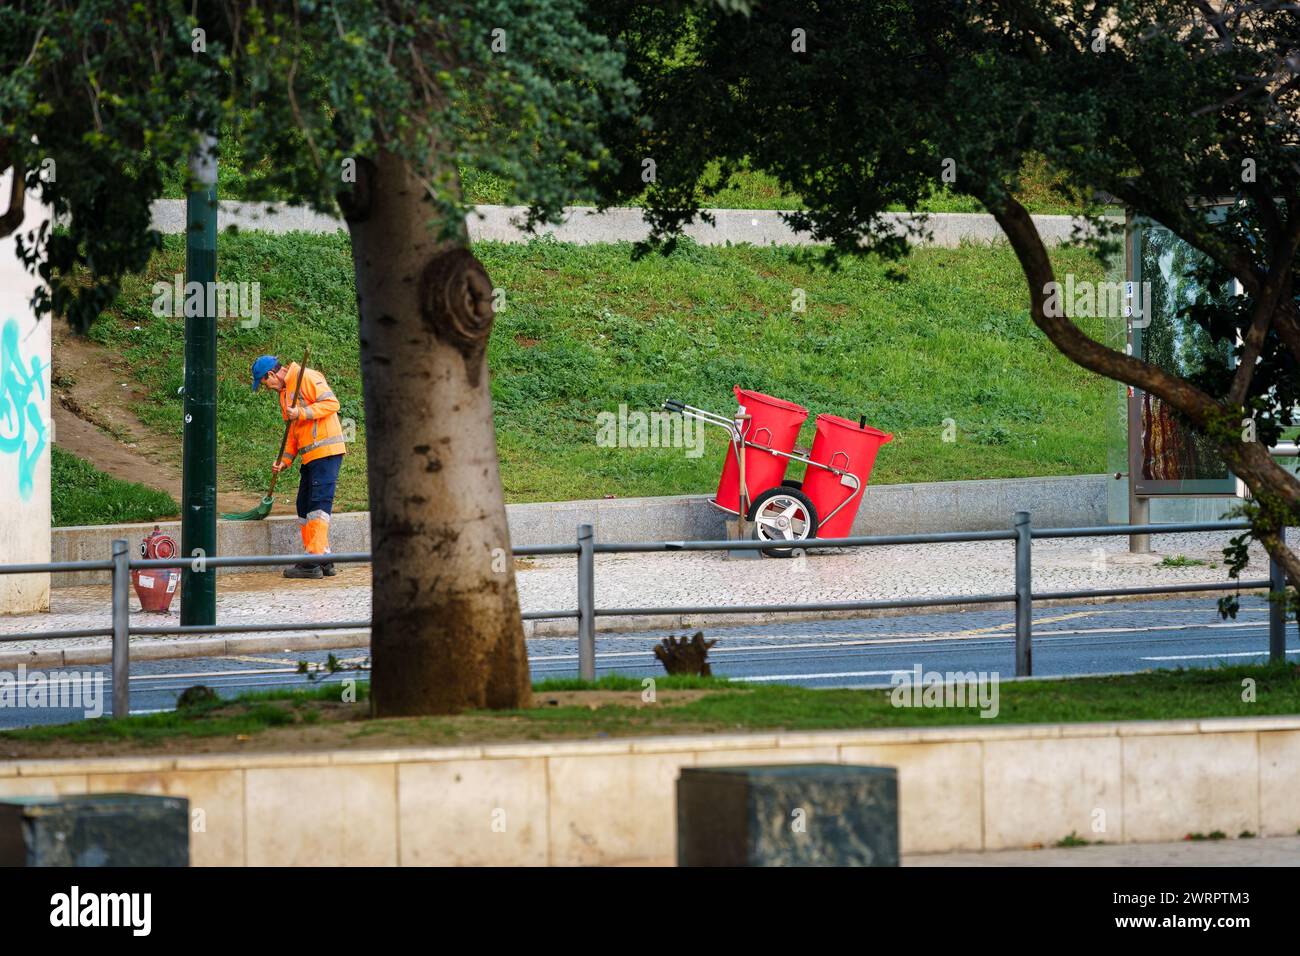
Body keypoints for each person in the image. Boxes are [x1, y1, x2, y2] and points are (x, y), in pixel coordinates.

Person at [251, 354, 346, 579]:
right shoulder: (285, 394)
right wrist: (283, 461)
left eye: (265, 384)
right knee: (304, 505)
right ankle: (323, 557)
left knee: (318, 506)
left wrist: (301, 412)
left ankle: (312, 560)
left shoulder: (307, 377)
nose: (268, 388)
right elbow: (293, 433)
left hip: (326, 452)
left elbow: (333, 403)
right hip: (309, 456)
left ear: (271, 375)